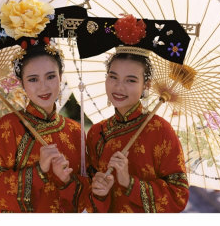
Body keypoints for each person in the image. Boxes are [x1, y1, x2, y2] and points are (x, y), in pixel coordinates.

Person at [0, 0, 91, 212]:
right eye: (33, 79)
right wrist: (40, 171)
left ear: (61, 76)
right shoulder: (9, 127)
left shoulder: (75, 131)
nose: (43, 87)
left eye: (50, 76)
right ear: (21, 83)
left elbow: (86, 201)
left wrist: (67, 181)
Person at [74, 14, 191, 212]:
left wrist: (129, 183)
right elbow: (89, 200)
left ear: (146, 85)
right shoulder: (96, 133)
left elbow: (178, 197)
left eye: (130, 80)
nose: (119, 87)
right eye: (113, 77)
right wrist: (99, 193)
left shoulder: (161, 131)